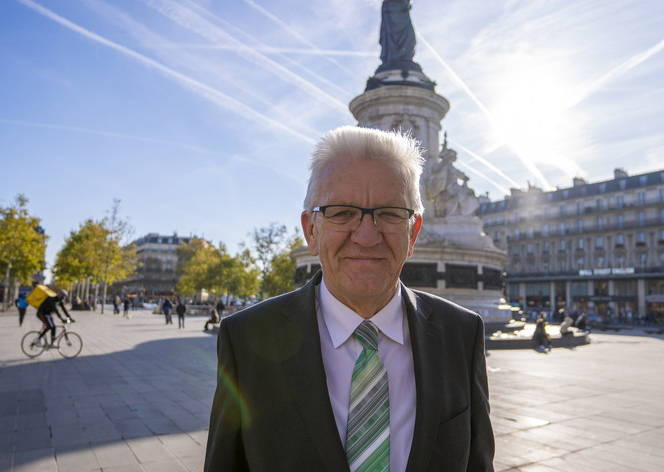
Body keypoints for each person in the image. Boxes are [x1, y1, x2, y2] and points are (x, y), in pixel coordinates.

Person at [205, 126, 494, 471]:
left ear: (413, 232)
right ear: (311, 231)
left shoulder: (461, 333)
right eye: (342, 212)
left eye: (390, 213)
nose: (367, 236)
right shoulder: (246, 339)